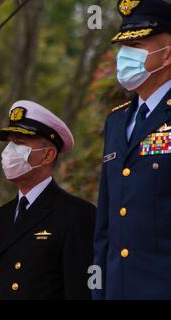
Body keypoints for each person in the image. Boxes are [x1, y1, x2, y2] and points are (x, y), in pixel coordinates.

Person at [0, 100, 96, 300]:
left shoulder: (77, 215)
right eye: (10, 142)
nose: (9, 151)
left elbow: (82, 291)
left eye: (20, 143)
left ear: (48, 155)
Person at [94, 0, 171, 299]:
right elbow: (106, 225)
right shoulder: (116, 121)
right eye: (122, 46)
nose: (124, 56)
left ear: (166, 55)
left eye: (136, 44)